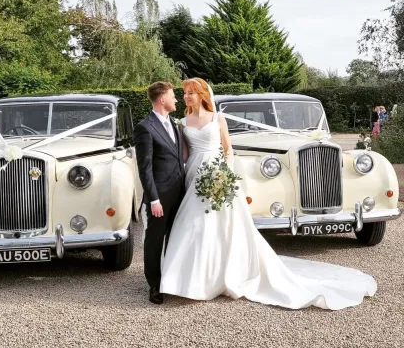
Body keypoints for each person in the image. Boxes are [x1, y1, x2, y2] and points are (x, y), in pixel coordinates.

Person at [158, 77, 377, 310]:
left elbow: (228, 150)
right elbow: (183, 154)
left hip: (219, 174)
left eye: (191, 92)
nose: (187, 97)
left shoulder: (217, 118)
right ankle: (189, 279)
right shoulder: (183, 122)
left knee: (224, 225)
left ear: (202, 94)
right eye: (184, 93)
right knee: (193, 223)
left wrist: (224, 175)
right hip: (195, 173)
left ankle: (227, 273)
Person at [133, 82, 186, 304]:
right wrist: (153, 199)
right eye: (173, 96)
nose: (177, 100)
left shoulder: (174, 124)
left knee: (175, 237)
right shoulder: (144, 127)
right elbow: (144, 168)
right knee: (155, 239)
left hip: (180, 192)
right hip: (160, 196)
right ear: (162, 99)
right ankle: (154, 285)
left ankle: (172, 279)